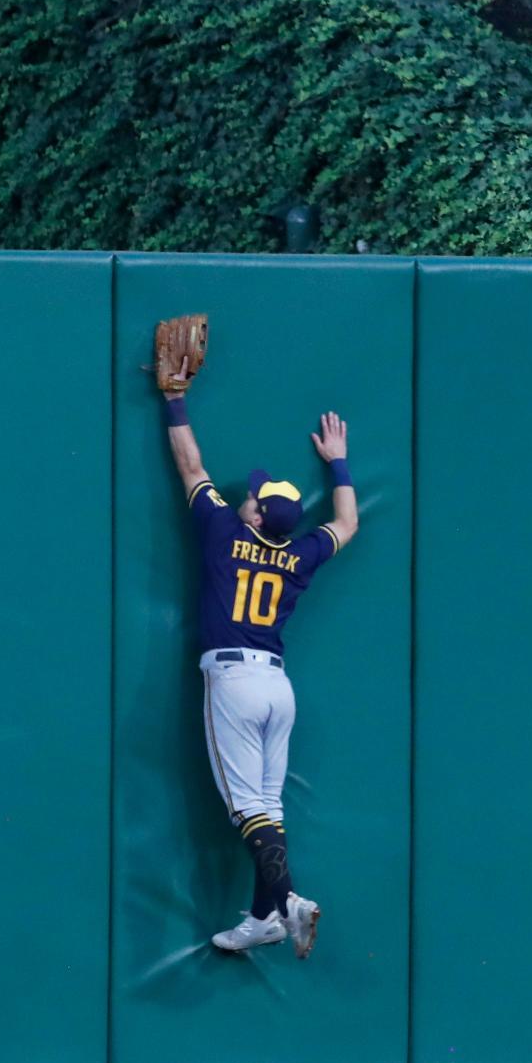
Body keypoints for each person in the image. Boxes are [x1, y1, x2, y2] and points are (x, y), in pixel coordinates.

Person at [162, 361, 358, 958]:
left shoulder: (224, 530)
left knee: (250, 809)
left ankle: (291, 900)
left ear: (252, 516)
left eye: (253, 496)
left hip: (235, 683)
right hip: (278, 688)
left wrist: (173, 397)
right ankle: (266, 918)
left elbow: (191, 466)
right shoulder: (298, 556)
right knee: (268, 807)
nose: (247, 495)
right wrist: (339, 462)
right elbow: (347, 522)